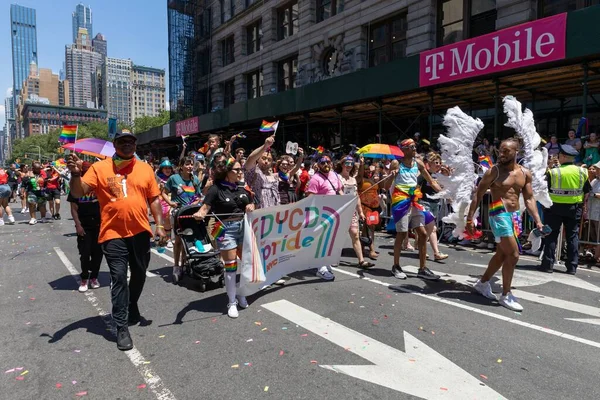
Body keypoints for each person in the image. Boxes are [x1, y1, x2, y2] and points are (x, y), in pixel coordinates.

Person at [67, 130, 167, 351]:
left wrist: (160, 225)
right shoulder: (99, 168)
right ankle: (121, 326)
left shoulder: (145, 168)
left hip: (140, 233)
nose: (127, 145)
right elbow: (78, 192)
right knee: (119, 277)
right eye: (122, 141)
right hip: (112, 234)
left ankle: (132, 305)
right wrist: (75, 174)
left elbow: (154, 199)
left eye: (131, 141)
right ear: (115, 144)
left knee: (140, 274)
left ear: (135, 144)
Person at [467, 138, 544, 311]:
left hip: (515, 216)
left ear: (516, 152)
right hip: (498, 214)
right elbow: (477, 195)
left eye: (506, 151)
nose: (502, 154)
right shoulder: (493, 171)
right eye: (501, 150)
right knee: (514, 254)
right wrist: (470, 219)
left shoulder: (525, 173)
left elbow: (529, 198)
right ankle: (506, 294)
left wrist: (537, 220)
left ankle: (483, 283)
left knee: (502, 255)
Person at [192, 154, 254, 318]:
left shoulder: (241, 188)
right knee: (231, 265)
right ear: (227, 171)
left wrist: (250, 205)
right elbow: (205, 208)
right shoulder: (215, 189)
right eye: (237, 170)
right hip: (225, 229)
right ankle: (232, 301)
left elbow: (250, 202)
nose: (241, 172)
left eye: (241, 169)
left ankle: (242, 293)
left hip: (244, 228)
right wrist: (199, 213)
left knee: (247, 263)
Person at [385, 139, 442, 281]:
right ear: (404, 150)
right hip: (400, 201)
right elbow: (386, 186)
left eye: (414, 146)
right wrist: (392, 176)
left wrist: (445, 194)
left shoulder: (419, 163)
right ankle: (396, 266)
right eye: (411, 147)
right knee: (402, 233)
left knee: (422, 234)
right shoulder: (396, 163)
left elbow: (431, 181)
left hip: (414, 200)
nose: (414, 148)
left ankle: (422, 269)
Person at [540, 144, 589, 275]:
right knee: (572, 236)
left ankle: (547, 265)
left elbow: (545, 189)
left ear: (563, 156)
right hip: (574, 208)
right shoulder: (582, 172)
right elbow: (587, 191)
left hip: (554, 208)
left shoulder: (554, 172)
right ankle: (572, 267)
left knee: (551, 235)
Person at [305, 154, 345, 281]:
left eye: (328, 162)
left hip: (333, 214)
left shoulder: (335, 175)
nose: (326, 164)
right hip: (321, 214)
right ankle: (320, 267)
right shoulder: (315, 179)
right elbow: (310, 198)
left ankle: (325, 262)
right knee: (321, 241)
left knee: (329, 241)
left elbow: (339, 191)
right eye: (323, 163)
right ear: (318, 165)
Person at [164, 156, 203, 283]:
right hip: (178, 214)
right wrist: (170, 202)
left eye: (192, 164)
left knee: (190, 239)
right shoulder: (173, 178)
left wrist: (197, 201)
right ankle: (176, 266)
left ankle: (186, 264)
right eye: (187, 164)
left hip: (191, 214)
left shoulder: (195, 179)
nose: (190, 167)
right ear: (181, 166)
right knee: (179, 241)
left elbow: (198, 195)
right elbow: (163, 192)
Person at [68, 161, 103, 293]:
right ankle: (84, 278)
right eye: (86, 170)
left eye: (90, 170)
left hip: (99, 225)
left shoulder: (99, 185)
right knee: (85, 253)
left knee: (98, 253)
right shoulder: (77, 187)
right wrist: (78, 225)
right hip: (84, 226)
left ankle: (94, 277)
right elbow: (73, 208)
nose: (88, 172)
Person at [336, 155, 375, 269]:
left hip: (352, 211)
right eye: (346, 164)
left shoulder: (353, 179)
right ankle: (334, 258)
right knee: (338, 236)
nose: (348, 166)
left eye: (351, 164)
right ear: (342, 164)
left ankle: (361, 261)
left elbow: (356, 196)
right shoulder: (337, 178)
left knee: (355, 235)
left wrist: (361, 212)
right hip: (340, 211)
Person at [420, 152, 448, 261]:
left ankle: (420, 247)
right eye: (436, 162)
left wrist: (447, 176)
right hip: (424, 203)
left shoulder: (439, 175)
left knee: (429, 229)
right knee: (432, 228)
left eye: (440, 163)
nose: (439, 164)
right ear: (429, 163)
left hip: (435, 204)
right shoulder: (424, 174)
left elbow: (445, 186)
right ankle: (436, 253)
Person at [244, 135, 279, 209]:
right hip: (258, 212)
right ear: (258, 159)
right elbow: (250, 158)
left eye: (269, 160)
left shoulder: (274, 176)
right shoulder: (253, 171)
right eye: (263, 158)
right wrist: (265, 146)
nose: (266, 161)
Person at [156, 160, 175, 249]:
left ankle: (169, 238)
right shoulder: (158, 178)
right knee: (165, 220)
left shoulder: (174, 177)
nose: (167, 170)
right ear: (162, 169)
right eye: (165, 168)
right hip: (162, 201)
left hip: (173, 200)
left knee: (171, 220)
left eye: (169, 168)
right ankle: (167, 239)